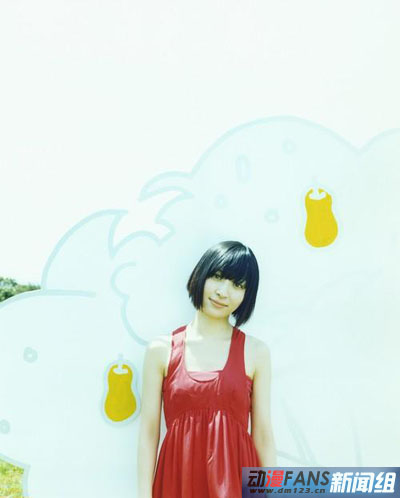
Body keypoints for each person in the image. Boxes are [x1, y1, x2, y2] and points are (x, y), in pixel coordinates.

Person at [137, 240, 276, 498]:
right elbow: (148, 433)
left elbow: (263, 435)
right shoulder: (161, 350)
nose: (223, 292)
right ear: (201, 274)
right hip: (177, 484)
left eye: (238, 285)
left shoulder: (256, 352)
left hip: (236, 486)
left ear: (247, 295)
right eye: (218, 276)